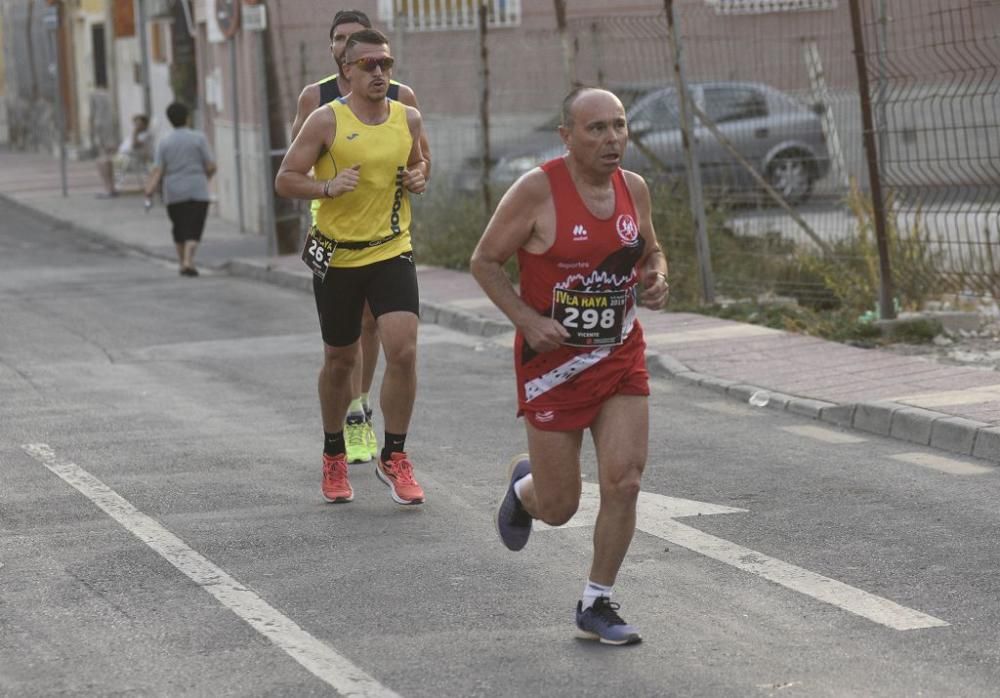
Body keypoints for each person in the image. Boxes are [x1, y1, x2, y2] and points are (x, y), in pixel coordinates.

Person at [470, 87, 670, 645]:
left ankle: (596, 601)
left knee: (625, 481)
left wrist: (656, 277)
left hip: (618, 355)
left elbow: (651, 250)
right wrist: (527, 321)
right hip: (553, 365)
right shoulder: (536, 191)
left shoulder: (634, 189)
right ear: (567, 136)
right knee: (559, 507)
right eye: (597, 129)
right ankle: (525, 491)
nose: (613, 140)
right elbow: (484, 261)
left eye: (620, 126)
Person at [275, 28, 428, 506]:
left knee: (402, 350)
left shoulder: (409, 117)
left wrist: (420, 177)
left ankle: (395, 455)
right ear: (346, 69)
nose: (380, 72)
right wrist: (327, 187)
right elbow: (286, 179)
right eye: (369, 65)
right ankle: (334, 453)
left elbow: (420, 166)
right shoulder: (325, 121)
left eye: (386, 63)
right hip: (338, 255)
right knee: (340, 361)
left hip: (391, 249)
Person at [144, 102, 217, 277]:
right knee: (195, 226)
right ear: (187, 117)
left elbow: (158, 170)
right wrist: (204, 177)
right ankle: (188, 260)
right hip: (197, 188)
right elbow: (211, 165)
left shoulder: (164, 142)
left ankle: (182, 262)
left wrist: (150, 189)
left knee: (179, 227)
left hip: (174, 191)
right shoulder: (198, 138)